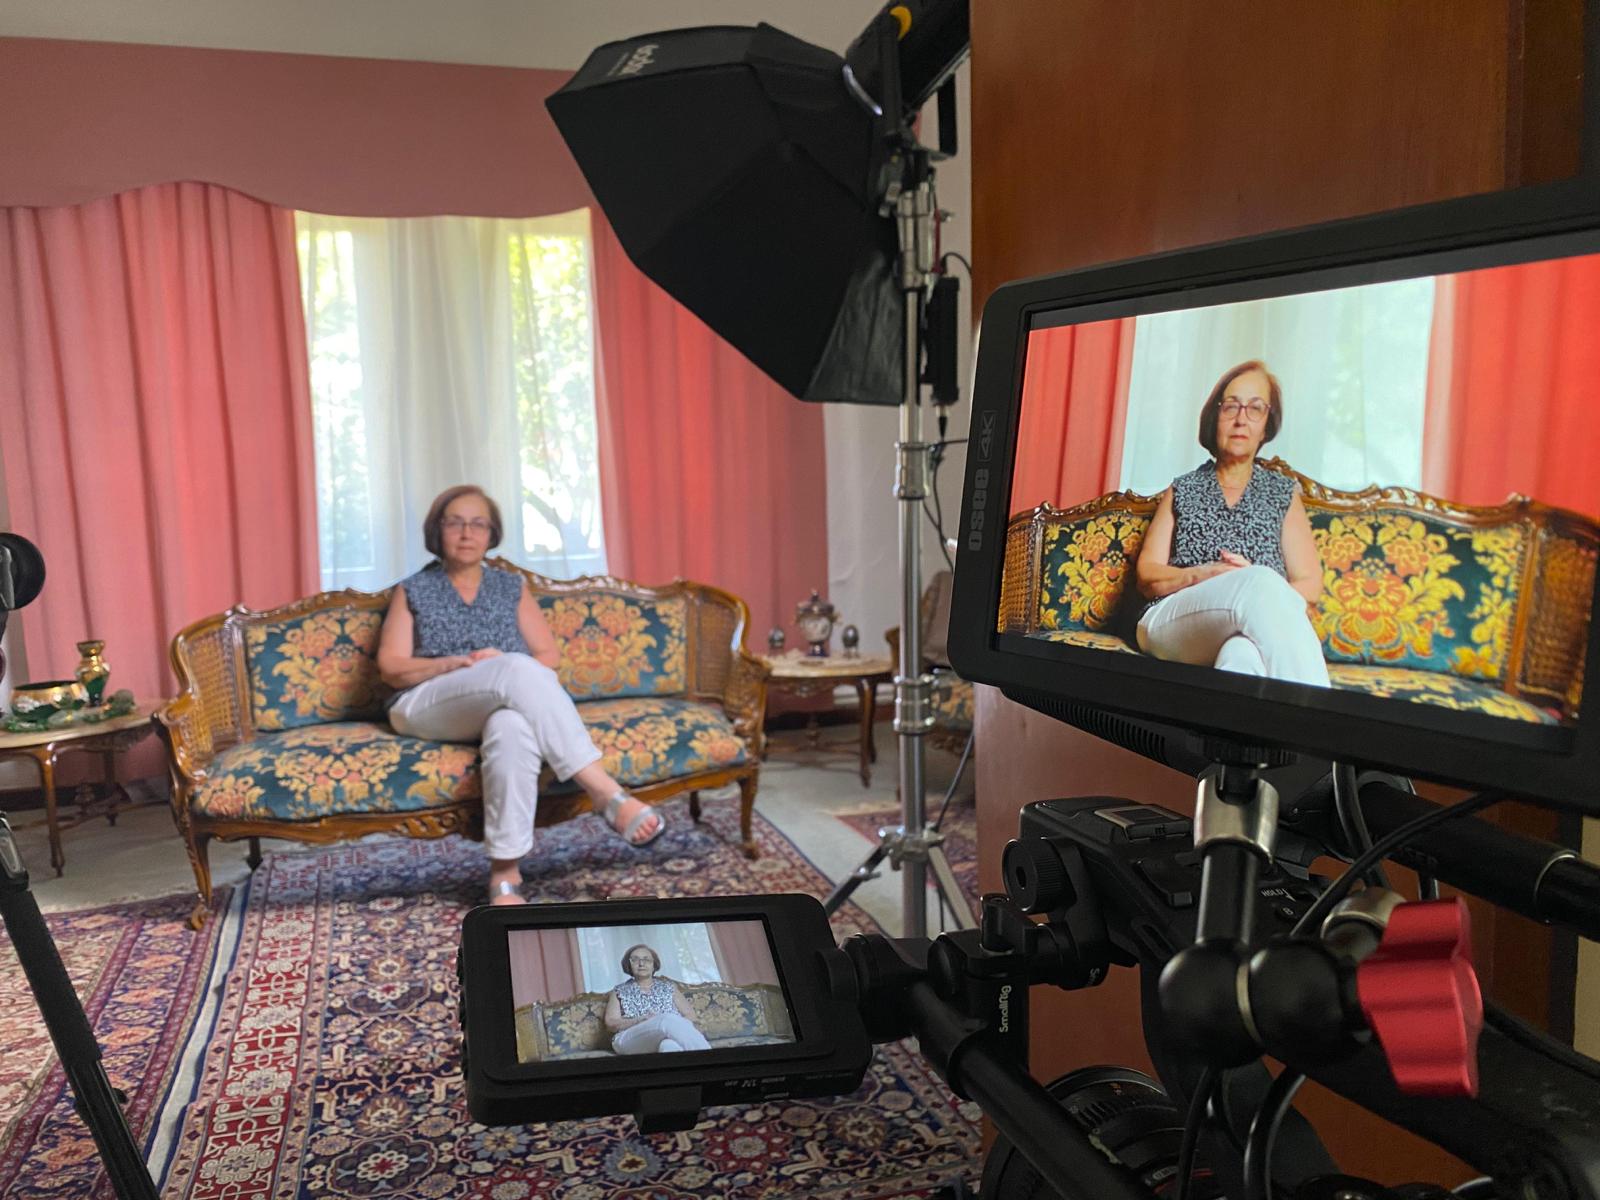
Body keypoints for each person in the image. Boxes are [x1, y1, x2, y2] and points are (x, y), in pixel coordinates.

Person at [377, 484, 663, 907]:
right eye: (455, 522)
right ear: (437, 530)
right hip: (424, 702)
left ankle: (504, 875)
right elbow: (390, 667)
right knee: (513, 667)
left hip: (499, 698)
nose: (467, 533)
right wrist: (453, 664)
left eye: (478, 524)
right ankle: (605, 793)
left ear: (492, 534)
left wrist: (499, 665)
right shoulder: (413, 589)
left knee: (511, 726)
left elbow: (548, 656)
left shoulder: (511, 586)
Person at [1134, 360, 1330, 687]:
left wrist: (1257, 586)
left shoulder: (1282, 493)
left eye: (1255, 408)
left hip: (1249, 623)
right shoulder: (1183, 488)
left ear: (1267, 425)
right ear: (1215, 417)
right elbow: (1147, 574)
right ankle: (1319, 714)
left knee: (1241, 655)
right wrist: (1205, 574)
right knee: (1259, 582)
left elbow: (1309, 584)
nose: (1241, 419)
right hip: (1171, 622)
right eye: (1231, 407)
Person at [604, 943, 712, 1055]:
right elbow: (610, 1024)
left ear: (654, 965)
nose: (641, 964)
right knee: (666, 1019)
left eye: (646, 959)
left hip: (666, 1034)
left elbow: (691, 1016)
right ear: (628, 964)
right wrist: (639, 1020)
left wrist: (674, 1025)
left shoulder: (669, 987)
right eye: (635, 960)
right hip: (629, 1039)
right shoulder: (619, 991)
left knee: (669, 1045)